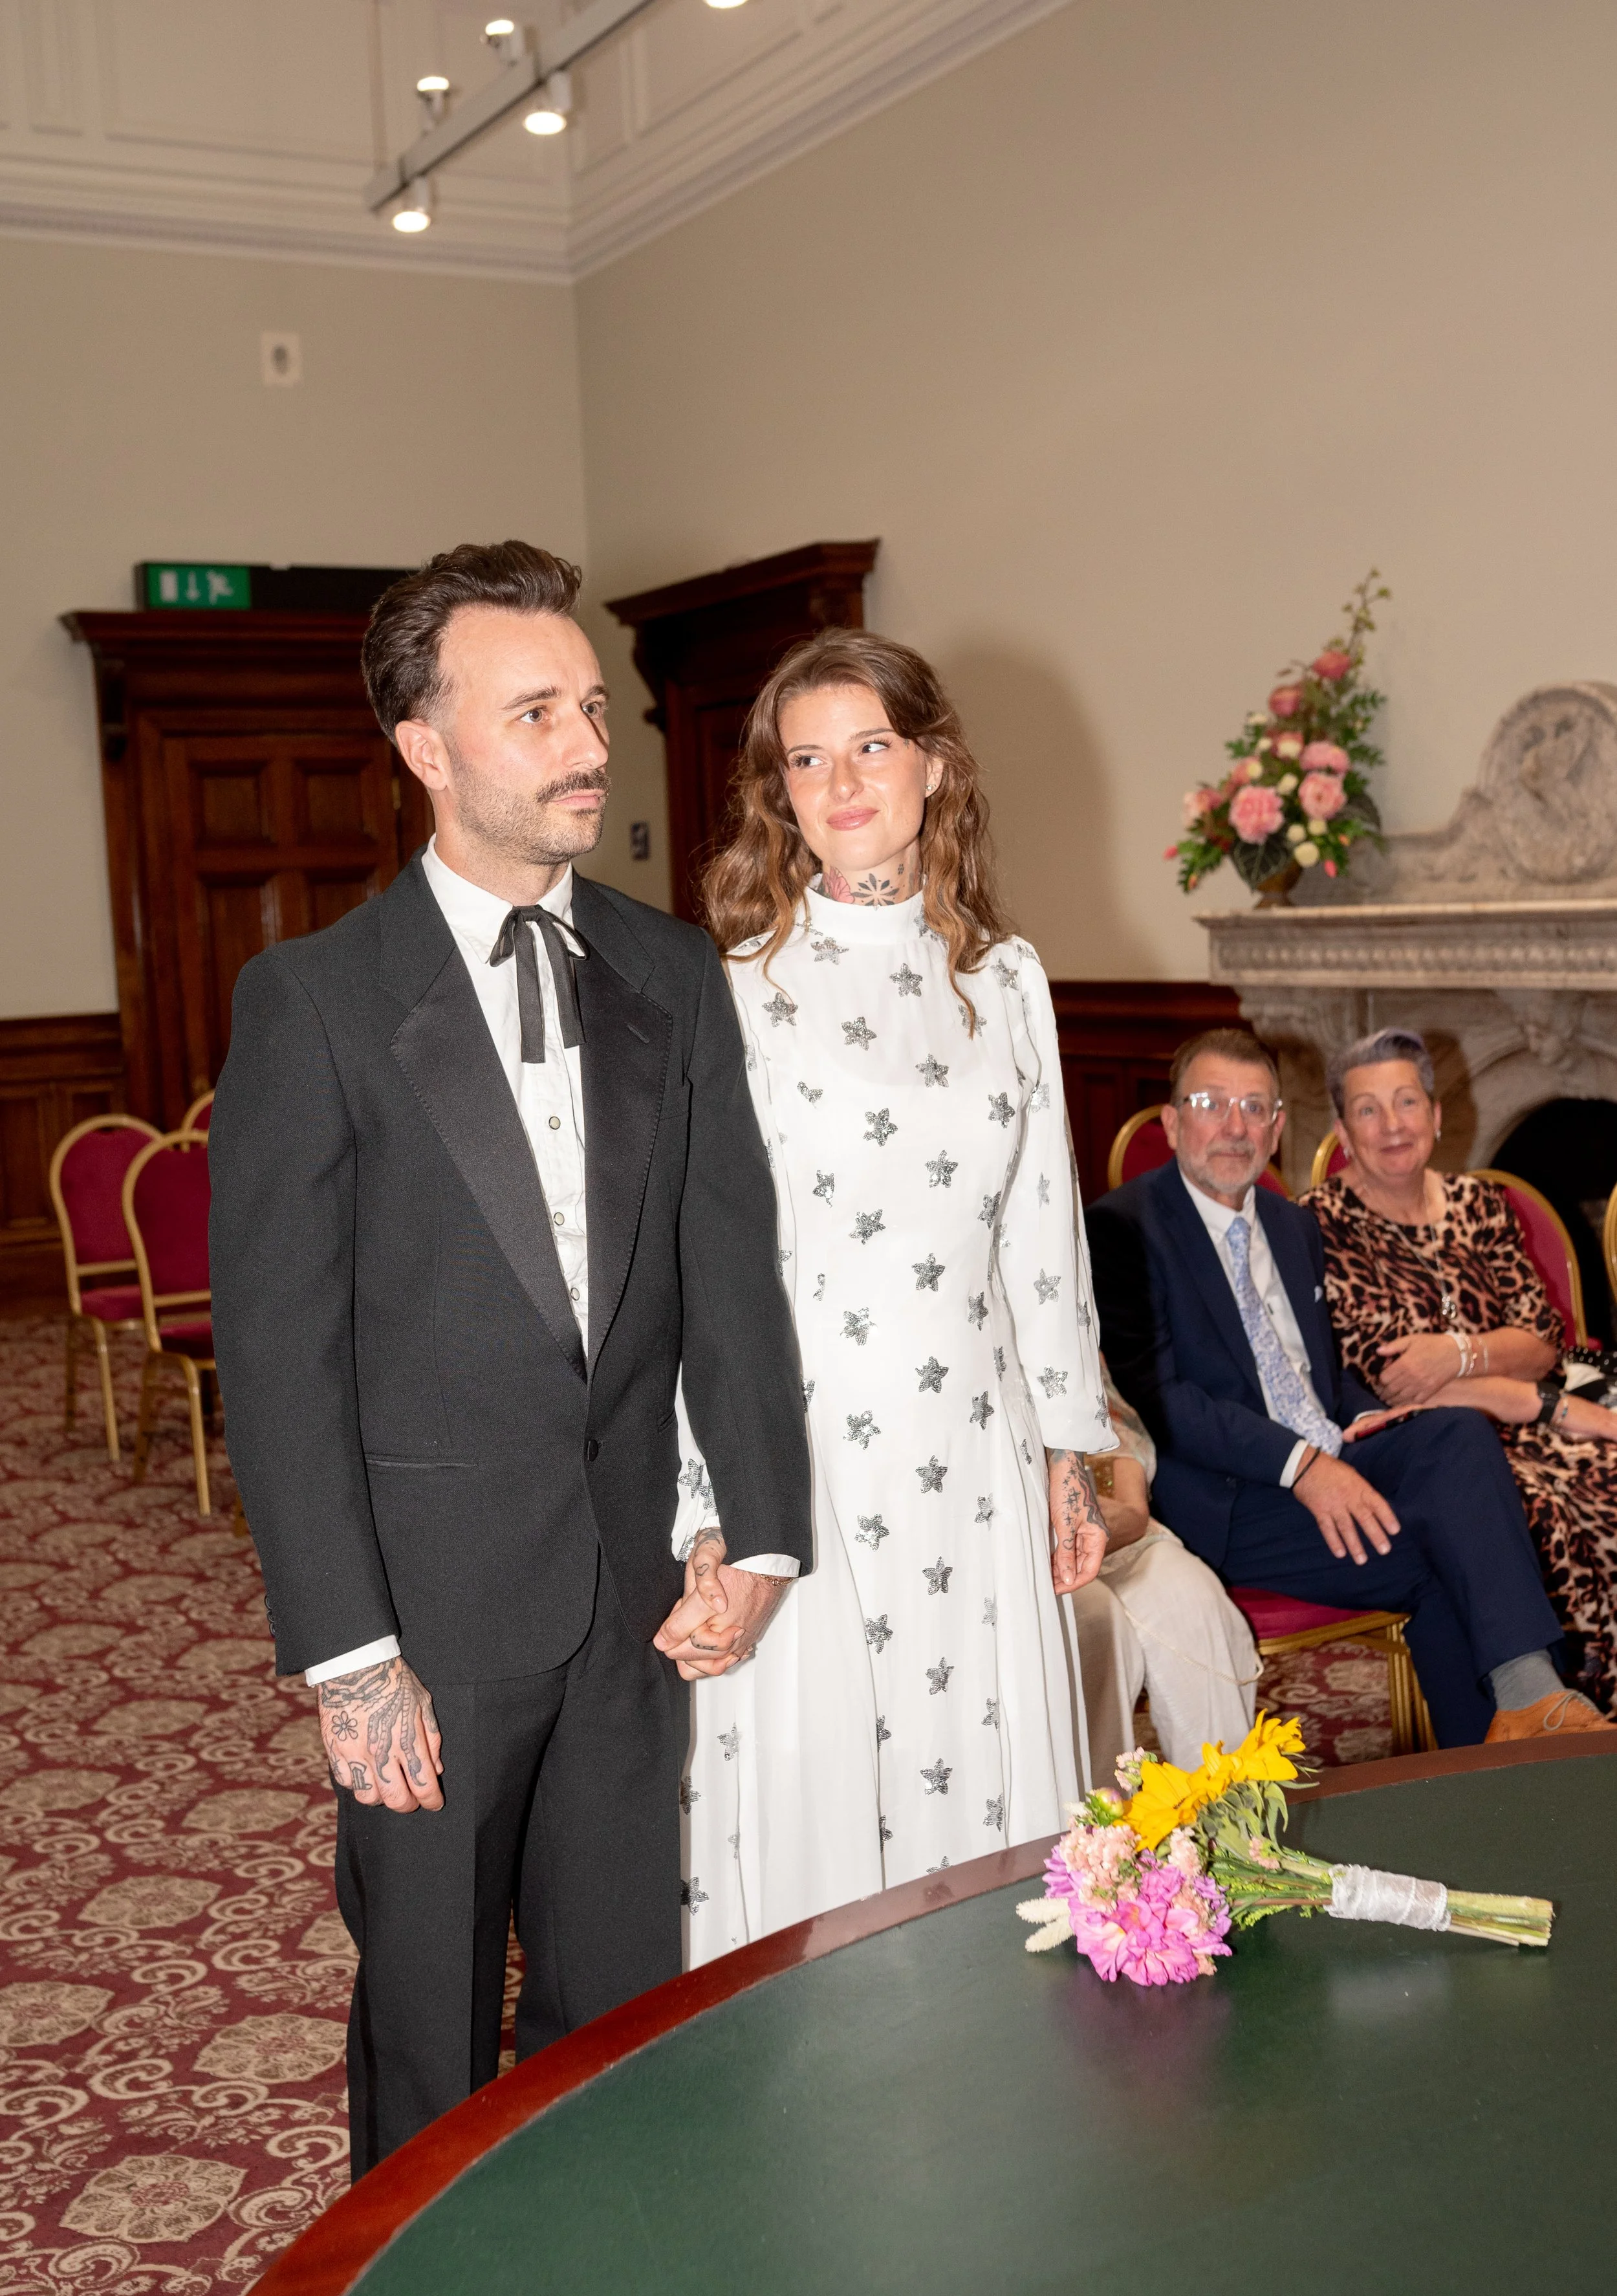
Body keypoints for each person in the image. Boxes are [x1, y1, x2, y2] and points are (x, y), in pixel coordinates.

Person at [208, 541, 812, 2175]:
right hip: (429, 1623)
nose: (587, 747)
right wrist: (348, 1655)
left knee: (617, 2018)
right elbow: (276, 1359)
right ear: (427, 747)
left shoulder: (671, 972)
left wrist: (751, 1531)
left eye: (592, 708)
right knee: (428, 2020)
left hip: (633, 1604)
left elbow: (723, 1273)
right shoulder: (315, 1003)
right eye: (534, 712)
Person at [679, 629, 1113, 1960]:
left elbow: (1040, 1230)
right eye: (806, 761)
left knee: (970, 1771)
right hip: (804, 1447)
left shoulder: (1005, 984)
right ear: (779, 793)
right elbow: (705, 1270)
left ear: (930, 765)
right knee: (821, 1786)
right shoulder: (736, 989)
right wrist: (705, 1507)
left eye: (869, 747)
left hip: (972, 1455)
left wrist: (1068, 1455)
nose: (842, 783)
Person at [1086, 1027, 1608, 1747]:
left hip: (1331, 1448)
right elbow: (1162, 1401)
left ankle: (1524, 1709)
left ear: (1275, 1128)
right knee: (1439, 1554)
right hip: (1230, 1495)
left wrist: (1366, 1421)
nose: (1234, 1126)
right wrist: (1304, 1466)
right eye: (1211, 1104)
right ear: (1174, 1121)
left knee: (1453, 1433)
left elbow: (1321, 1375)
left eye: (1254, 1107)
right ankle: (1516, 1740)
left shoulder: (1291, 1225)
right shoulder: (1121, 1228)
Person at [1303, 1025, 1617, 1709]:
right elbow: (1391, 1378)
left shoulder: (1479, 1203)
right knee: (1544, 1507)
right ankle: (1553, 1713)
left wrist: (1455, 1352)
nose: (1391, 1125)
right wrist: (1547, 1402)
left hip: (1526, 1409)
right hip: (1429, 1445)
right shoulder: (1319, 1225)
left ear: (1436, 1114)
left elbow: (1541, 1336)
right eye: (1367, 1109)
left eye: (1406, 1102)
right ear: (1342, 1129)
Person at [1070, 1359, 1260, 1778]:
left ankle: (1226, 1820)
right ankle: (1095, 1833)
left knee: (1192, 1599)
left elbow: (1114, 1417)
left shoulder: (1061, 1298)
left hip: (1101, 1519)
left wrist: (1132, 1512)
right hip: (1005, 1547)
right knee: (1095, 1621)